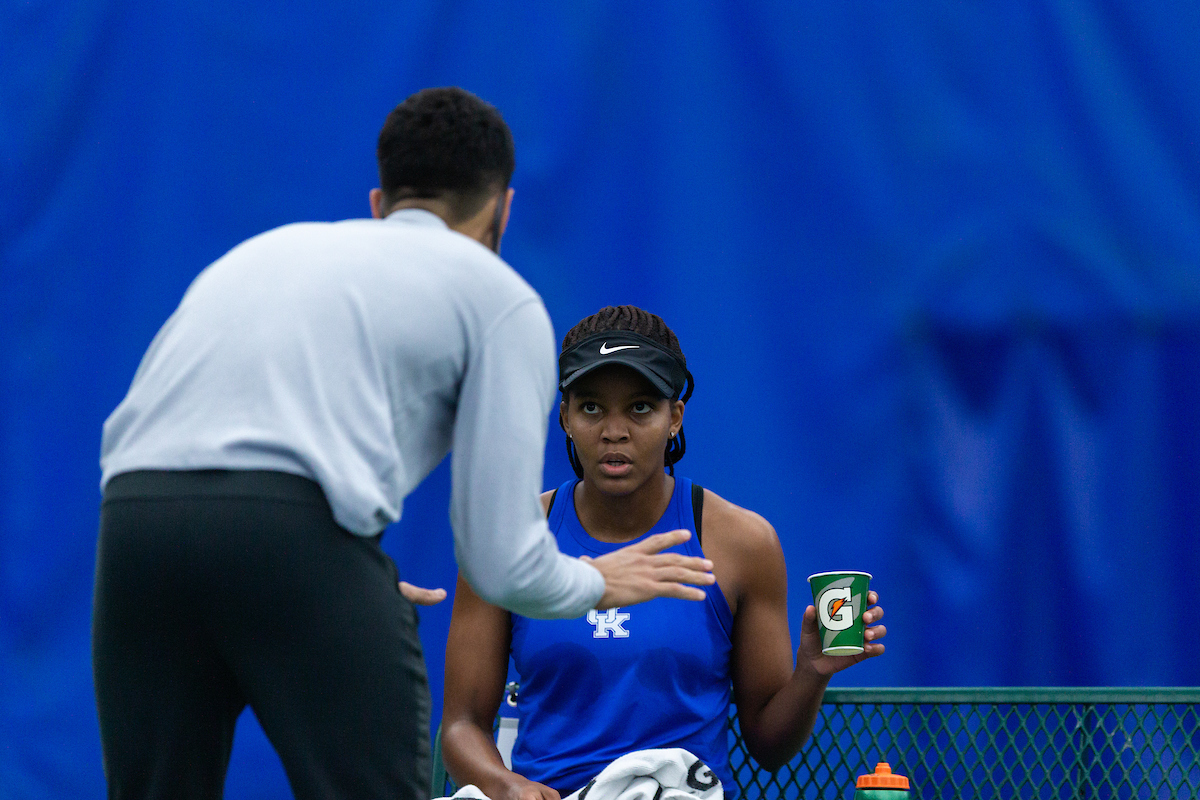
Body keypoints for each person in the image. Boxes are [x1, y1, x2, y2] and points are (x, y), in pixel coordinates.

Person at [92, 90, 713, 800]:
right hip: (293, 540)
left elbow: (208, 474)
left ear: (378, 202)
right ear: (502, 209)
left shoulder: (253, 257)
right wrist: (599, 583)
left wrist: (330, 567)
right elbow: (503, 564)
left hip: (134, 526)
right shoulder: (497, 296)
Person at [440, 306, 888, 800]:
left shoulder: (744, 544)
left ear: (675, 417)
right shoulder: (506, 540)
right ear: (565, 417)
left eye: (639, 408)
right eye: (591, 408)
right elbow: (462, 725)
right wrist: (507, 787)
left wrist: (811, 672)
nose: (614, 431)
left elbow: (768, 745)